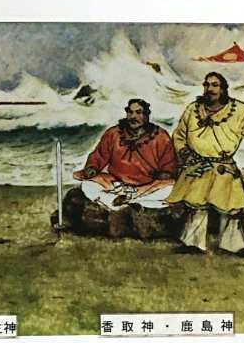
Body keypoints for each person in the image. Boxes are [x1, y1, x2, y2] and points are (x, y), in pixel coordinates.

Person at [166, 71, 244, 258]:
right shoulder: (193, 109)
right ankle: (193, 243)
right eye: (207, 85)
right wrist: (185, 154)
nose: (210, 89)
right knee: (197, 206)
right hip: (198, 166)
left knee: (232, 208)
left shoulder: (239, 110)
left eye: (215, 85)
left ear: (223, 89)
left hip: (224, 167)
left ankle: (233, 245)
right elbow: (179, 135)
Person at [60, 98, 178, 238]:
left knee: (170, 189)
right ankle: (120, 204)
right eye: (130, 112)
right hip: (116, 185)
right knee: (88, 185)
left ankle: (131, 202)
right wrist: (92, 167)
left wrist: (165, 174)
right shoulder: (113, 133)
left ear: (147, 115)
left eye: (138, 112)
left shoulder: (160, 136)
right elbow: (99, 155)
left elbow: (169, 164)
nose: (133, 116)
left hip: (146, 187)